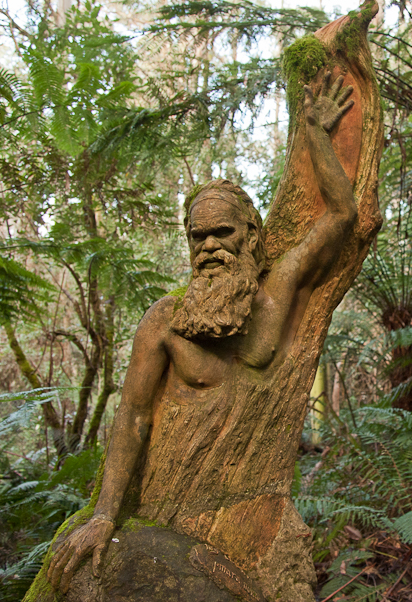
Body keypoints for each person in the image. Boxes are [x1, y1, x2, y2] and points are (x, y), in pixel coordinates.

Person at [45, 72, 356, 593]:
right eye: (198, 236)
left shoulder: (278, 292)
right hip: (168, 511)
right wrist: (103, 514)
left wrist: (315, 134)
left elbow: (343, 215)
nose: (209, 245)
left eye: (223, 233)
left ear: (251, 235)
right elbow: (134, 416)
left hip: (252, 517)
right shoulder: (166, 320)